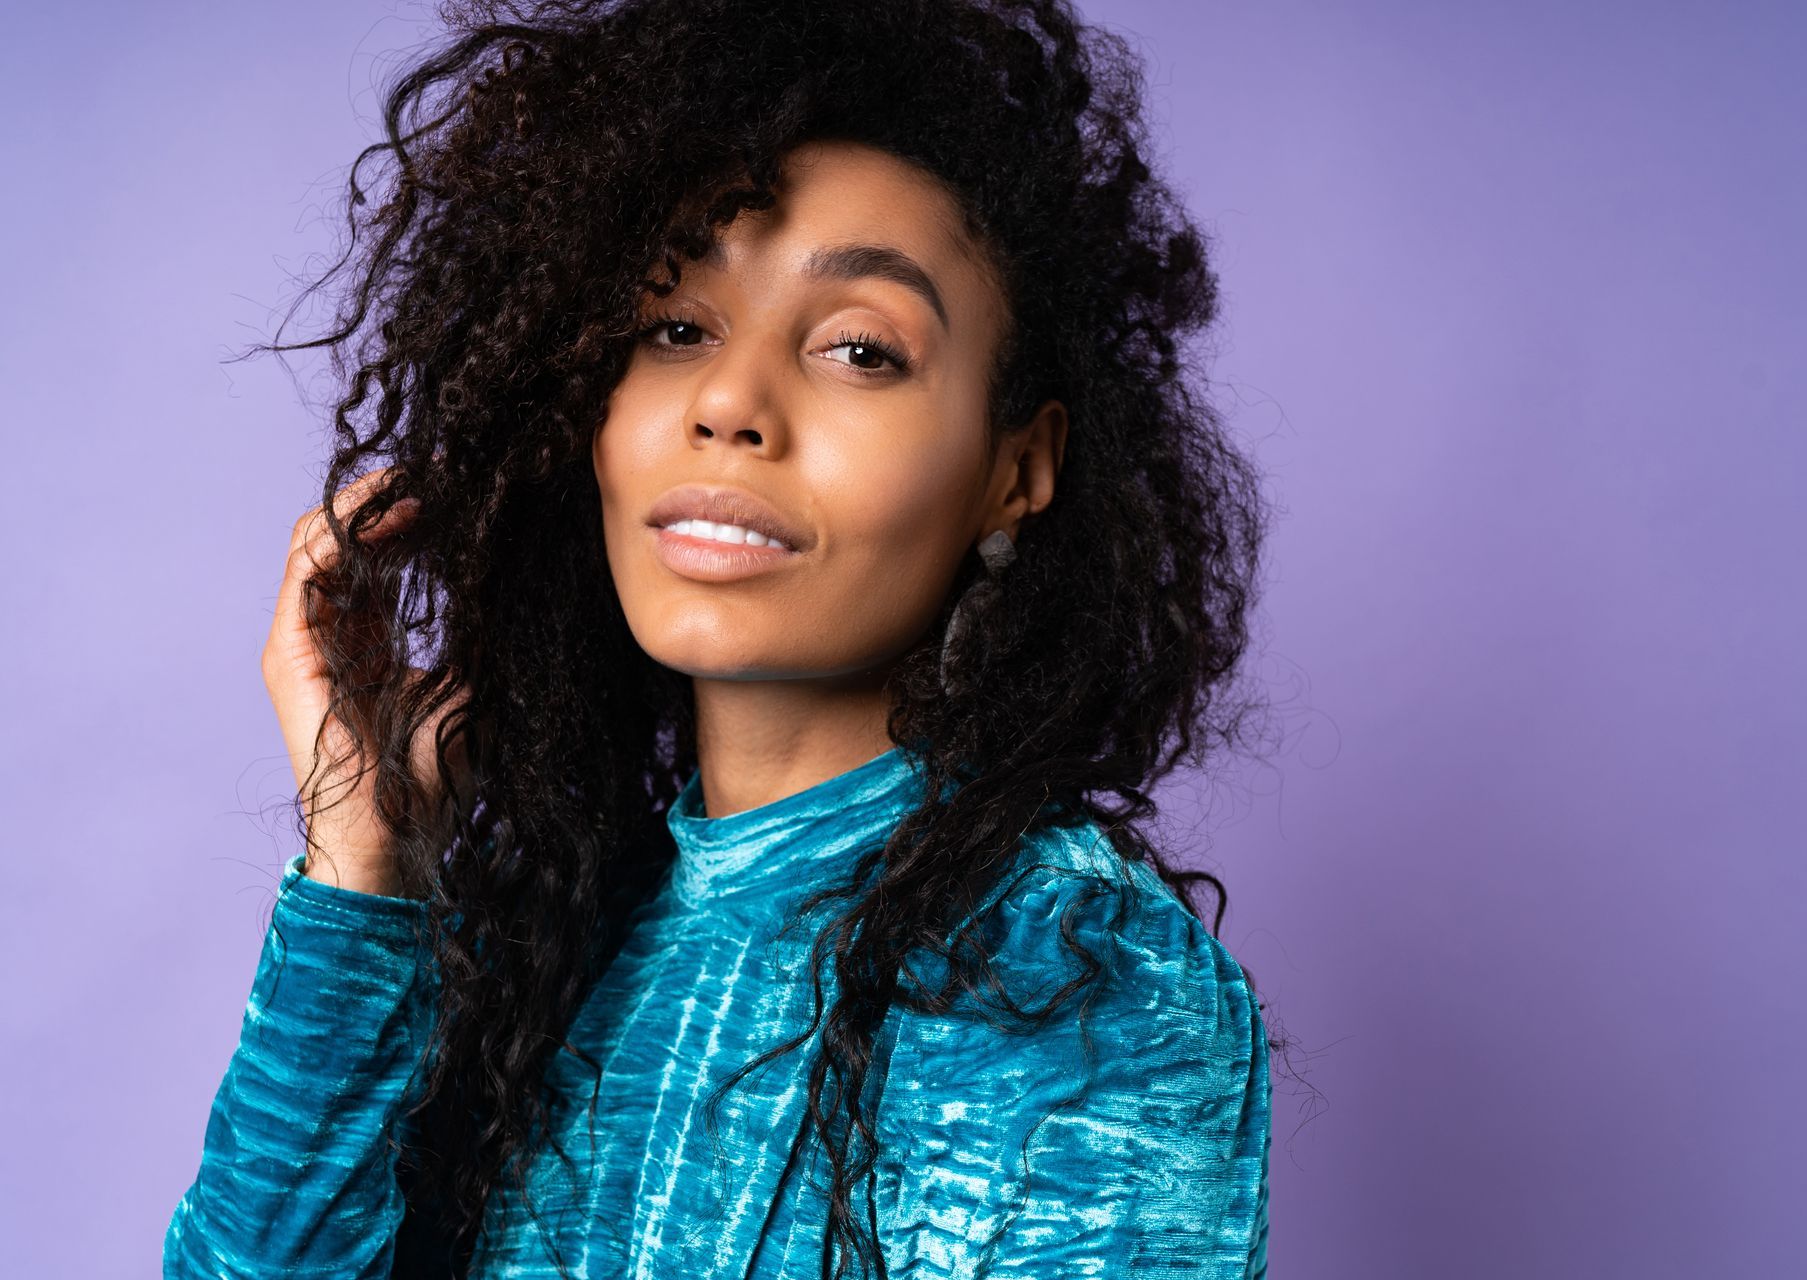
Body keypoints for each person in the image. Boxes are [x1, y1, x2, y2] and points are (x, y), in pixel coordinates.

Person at [163, 0, 1286, 1275]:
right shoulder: (555, 940)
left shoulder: (1072, 979)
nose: (730, 402)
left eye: (859, 348)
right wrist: (361, 862)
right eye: (676, 327)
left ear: (1015, 469)